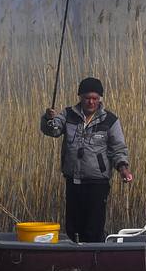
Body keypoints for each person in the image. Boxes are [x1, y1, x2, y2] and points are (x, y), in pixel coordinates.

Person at [41, 77, 133, 244]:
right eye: (87, 98)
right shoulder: (68, 115)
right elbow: (52, 131)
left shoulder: (110, 120)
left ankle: (95, 259)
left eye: (95, 98)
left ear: (100, 99)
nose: (91, 102)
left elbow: (118, 149)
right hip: (73, 181)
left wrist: (123, 169)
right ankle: (75, 260)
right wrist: (48, 118)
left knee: (94, 227)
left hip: (98, 183)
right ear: (80, 97)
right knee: (73, 227)